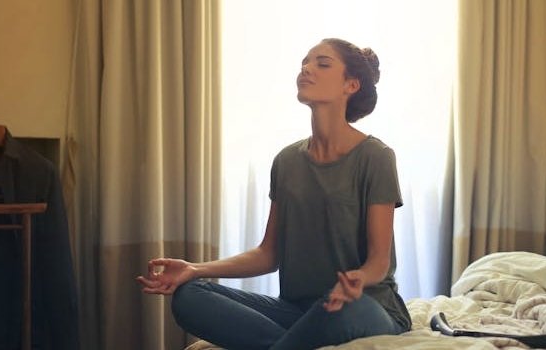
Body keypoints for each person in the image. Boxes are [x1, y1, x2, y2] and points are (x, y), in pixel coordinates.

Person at [136, 38, 411, 350]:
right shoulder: (287, 161)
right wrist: (195, 269)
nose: (307, 68)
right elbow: (268, 254)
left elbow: (379, 260)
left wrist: (359, 278)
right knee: (190, 296)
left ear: (351, 85)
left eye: (322, 63)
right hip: (297, 312)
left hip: (365, 307)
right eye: (304, 62)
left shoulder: (375, 157)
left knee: (346, 309)